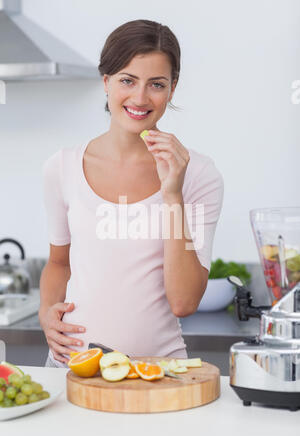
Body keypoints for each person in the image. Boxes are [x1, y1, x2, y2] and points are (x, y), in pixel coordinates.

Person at [40, 19, 224, 367]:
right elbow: (58, 263)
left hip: (159, 373)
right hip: (71, 370)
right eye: (127, 80)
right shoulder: (61, 167)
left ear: (172, 88)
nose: (140, 98)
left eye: (156, 84)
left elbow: (184, 302)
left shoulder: (198, 174)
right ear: (106, 81)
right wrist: (46, 313)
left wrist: (173, 195)